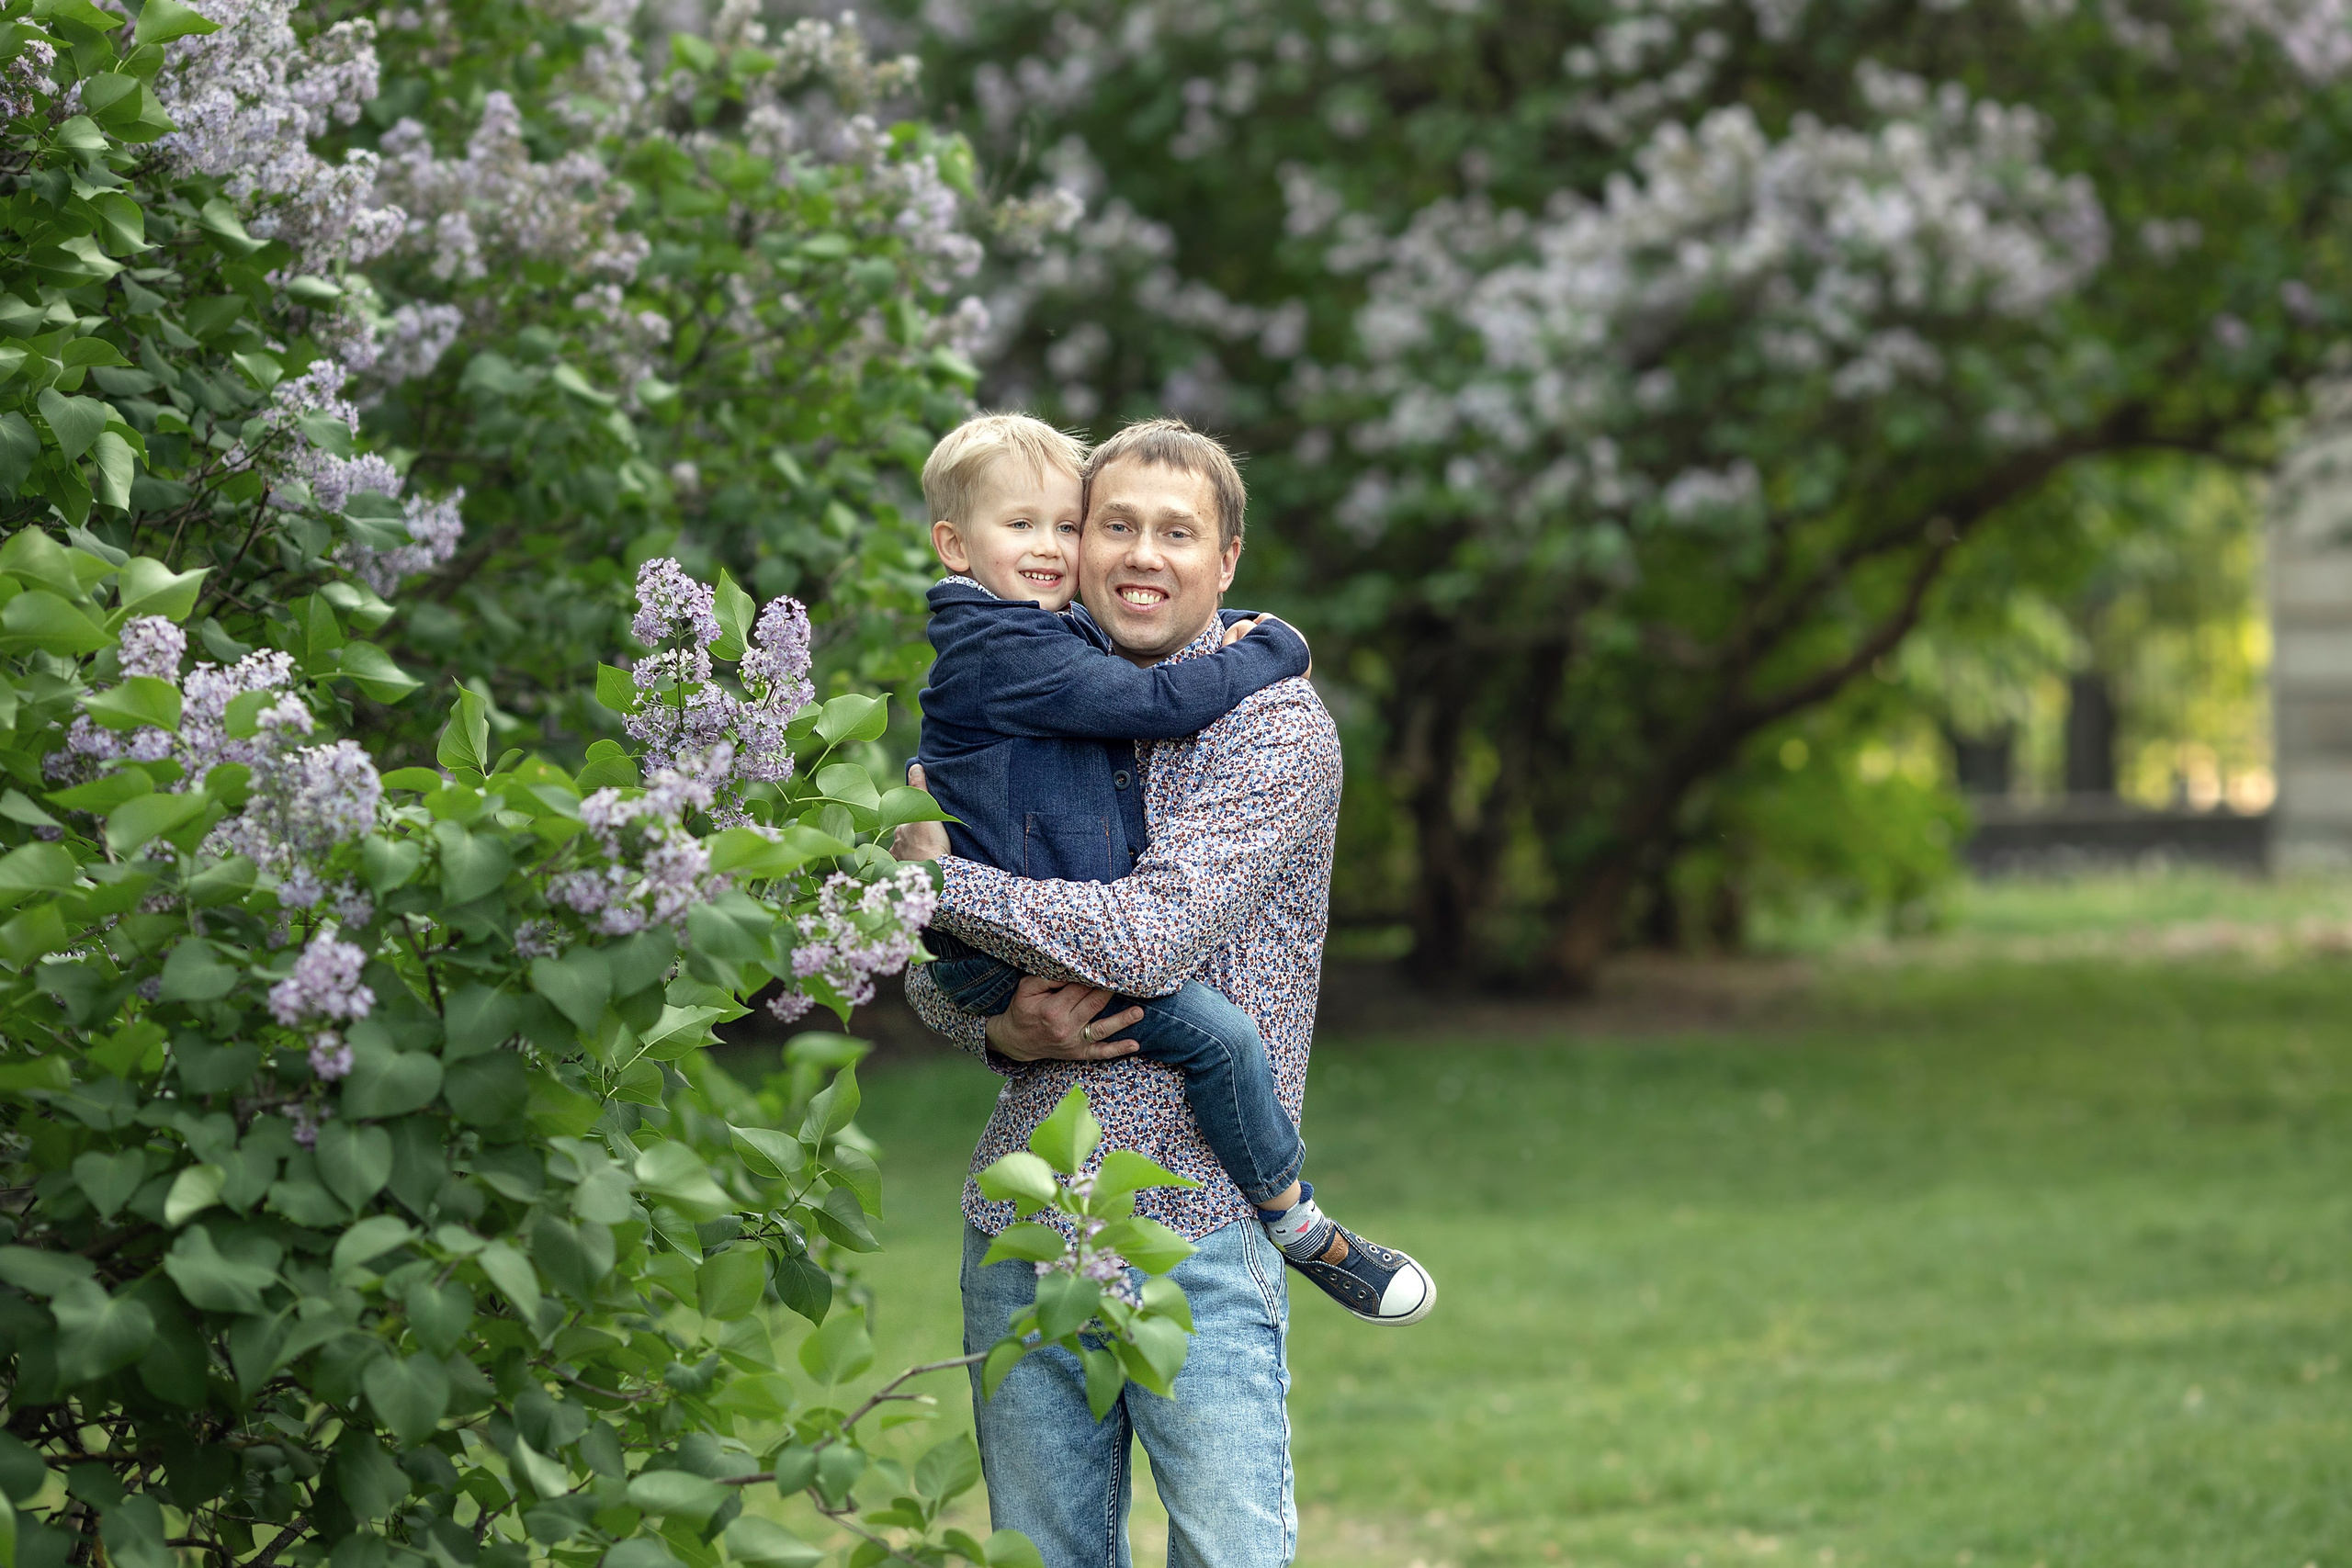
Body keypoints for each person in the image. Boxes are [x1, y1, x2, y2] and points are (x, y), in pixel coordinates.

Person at [896, 416, 1431, 1568]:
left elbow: (1146, 941)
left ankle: (1301, 1228)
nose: (1141, 553)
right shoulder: (1023, 689)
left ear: (1224, 561)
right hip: (1025, 1218)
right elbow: (923, 968)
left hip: (1194, 1225)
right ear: (1076, 547)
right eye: (1114, 525)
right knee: (1040, 1554)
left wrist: (941, 878)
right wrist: (993, 1022)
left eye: (1175, 533)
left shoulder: (1271, 727)